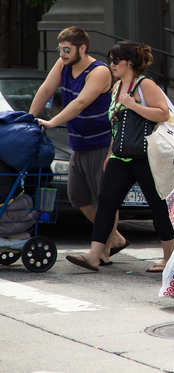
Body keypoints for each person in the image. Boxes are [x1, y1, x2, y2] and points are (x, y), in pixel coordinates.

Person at [66, 41, 174, 272]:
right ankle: (95, 255)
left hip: (145, 155)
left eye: (116, 60)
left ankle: (170, 258)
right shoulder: (116, 87)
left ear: (130, 63)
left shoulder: (145, 85)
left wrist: (133, 105)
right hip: (120, 155)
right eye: (110, 60)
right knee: (106, 202)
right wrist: (110, 153)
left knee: (158, 206)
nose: (112, 65)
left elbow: (163, 113)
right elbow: (115, 126)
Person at [29, 26, 129, 261]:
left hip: (101, 143)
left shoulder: (99, 71)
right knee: (78, 197)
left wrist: (52, 121)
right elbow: (46, 89)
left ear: (82, 49)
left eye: (67, 50)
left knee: (103, 198)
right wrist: (29, 119)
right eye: (60, 49)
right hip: (78, 143)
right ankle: (114, 237)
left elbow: (81, 102)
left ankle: (102, 250)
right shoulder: (62, 65)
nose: (62, 54)